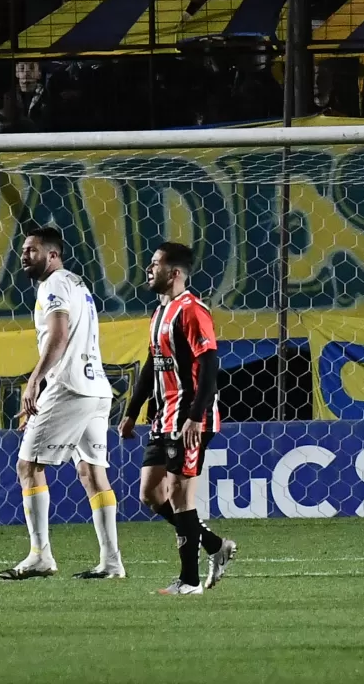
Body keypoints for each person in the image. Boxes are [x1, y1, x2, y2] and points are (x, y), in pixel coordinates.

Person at [2, 224, 123, 581]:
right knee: (91, 473)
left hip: (69, 387)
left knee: (28, 467)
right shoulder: (77, 283)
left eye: (33, 250)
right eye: (23, 250)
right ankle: (112, 562)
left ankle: (40, 556)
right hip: (96, 388)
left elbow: (59, 334)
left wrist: (35, 379)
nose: (24, 256)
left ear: (53, 255)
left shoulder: (53, 285)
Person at [119, 240, 236, 596]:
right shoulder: (159, 314)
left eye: (154, 264)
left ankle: (189, 581)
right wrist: (131, 411)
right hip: (163, 419)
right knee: (151, 495)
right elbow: (151, 368)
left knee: (179, 495)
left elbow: (209, 365)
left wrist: (196, 417)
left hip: (189, 420)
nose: (148, 269)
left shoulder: (192, 310)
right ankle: (216, 546)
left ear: (174, 273)